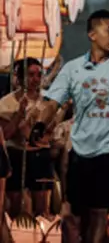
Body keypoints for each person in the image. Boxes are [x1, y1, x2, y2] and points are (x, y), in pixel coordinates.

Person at [42, 9, 109, 243]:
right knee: (73, 211)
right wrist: (40, 124)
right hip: (80, 149)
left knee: (100, 210)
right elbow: (53, 102)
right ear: (92, 34)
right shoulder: (73, 68)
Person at [0, 58, 56, 217]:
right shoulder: (6, 102)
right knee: (17, 209)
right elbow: (5, 135)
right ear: (20, 77)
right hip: (16, 155)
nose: (35, 79)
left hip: (40, 157)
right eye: (31, 75)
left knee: (42, 209)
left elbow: (50, 134)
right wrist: (19, 114)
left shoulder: (48, 101)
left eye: (39, 75)